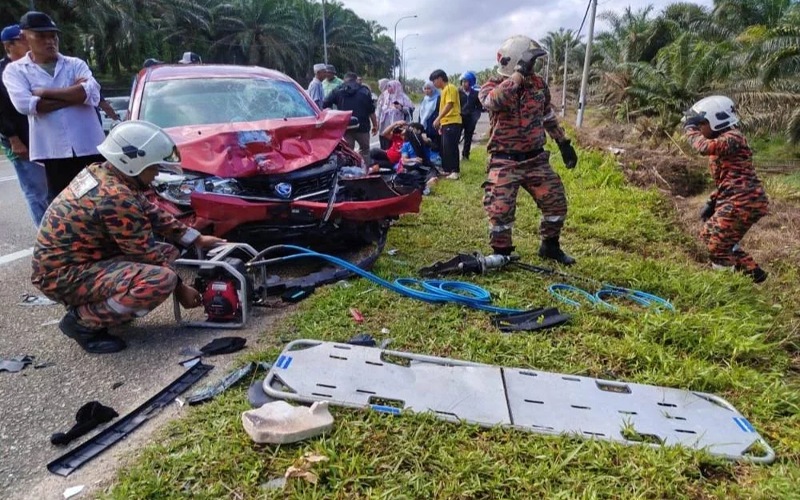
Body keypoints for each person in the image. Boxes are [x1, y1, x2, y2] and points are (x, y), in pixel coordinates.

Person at [31, 121, 226, 354]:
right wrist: (181, 288)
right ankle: (82, 322)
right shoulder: (114, 196)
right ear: (134, 163)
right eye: (153, 167)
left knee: (168, 252)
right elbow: (145, 253)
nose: (155, 174)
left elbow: (150, 211)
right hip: (63, 276)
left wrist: (195, 238)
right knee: (160, 280)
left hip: (78, 262)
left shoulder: (105, 173)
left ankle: (109, 308)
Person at [478, 35, 578, 264]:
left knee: (556, 203)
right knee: (499, 210)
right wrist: (517, 76)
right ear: (516, 62)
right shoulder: (492, 85)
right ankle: (502, 252)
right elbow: (494, 101)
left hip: (535, 159)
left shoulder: (538, 84)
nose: (534, 67)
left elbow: (547, 115)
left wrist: (563, 143)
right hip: (504, 161)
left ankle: (550, 246)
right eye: (530, 62)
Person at [3, 11, 105, 200]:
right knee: (67, 205)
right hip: (54, 152)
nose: (49, 41)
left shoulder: (75, 63)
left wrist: (43, 93)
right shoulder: (15, 71)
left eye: (53, 36)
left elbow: (91, 93)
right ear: (25, 37)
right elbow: (25, 105)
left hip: (90, 146)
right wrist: (74, 94)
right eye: (41, 36)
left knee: (101, 200)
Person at [683, 96, 769, 283]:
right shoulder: (724, 140)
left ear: (715, 121)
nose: (700, 129)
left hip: (743, 201)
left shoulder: (733, 137)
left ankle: (725, 288)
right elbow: (729, 178)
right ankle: (754, 273)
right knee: (707, 235)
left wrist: (690, 128)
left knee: (718, 247)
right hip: (733, 197)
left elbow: (703, 147)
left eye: (701, 124)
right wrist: (712, 201)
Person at [0, 24, 48, 226]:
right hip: (21, 141)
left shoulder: (35, 66)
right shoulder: (3, 72)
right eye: (23, 40)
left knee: (53, 188)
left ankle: (59, 232)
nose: (29, 43)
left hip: (44, 137)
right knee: (36, 190)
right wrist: (13, 139)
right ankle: (45, 236)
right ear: (8, 46)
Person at [323, 72, 377, 163]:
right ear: (356, 79)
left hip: (346, 127)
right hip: (362, 126)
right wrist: (375, 125)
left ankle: (349, 173)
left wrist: (335, 116)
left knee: (347, 152)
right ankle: (365, 172)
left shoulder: (338, 90)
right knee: (365, 151)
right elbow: (371, 110)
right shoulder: (364, 90)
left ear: (344, 80)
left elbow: (325, 103)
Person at [430, 69, 462, 180]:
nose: (433, 84)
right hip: (446, 123)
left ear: (439, 78)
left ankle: (455, 170)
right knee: (446, 148)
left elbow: (449, 105)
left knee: (451, 147)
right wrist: (441, 123)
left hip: (452, 122)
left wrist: (439, 119)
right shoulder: (443, 90)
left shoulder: (450, 88)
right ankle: (448, 170)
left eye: (434, 81)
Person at [459, 71, 482, 160]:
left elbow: (479, 107)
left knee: (468, 138)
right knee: (457, 138)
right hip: (460, 118)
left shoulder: (475, 94)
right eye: (463, 81)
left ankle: (465, 155)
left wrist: (476, 117)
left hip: (470, 119)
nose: (464, 84)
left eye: (466, 82)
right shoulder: (458, 92)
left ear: (471, 82)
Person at [417, 80, 441, 152]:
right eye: (425, 88)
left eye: (429, 88)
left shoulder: (438, 99)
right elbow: (421, 113)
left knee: (436, 145)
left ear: (433, 89)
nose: (427, 90)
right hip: (426, 126)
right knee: (427, 144)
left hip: (434, 126)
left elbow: (440, 112)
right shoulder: (424, 100)